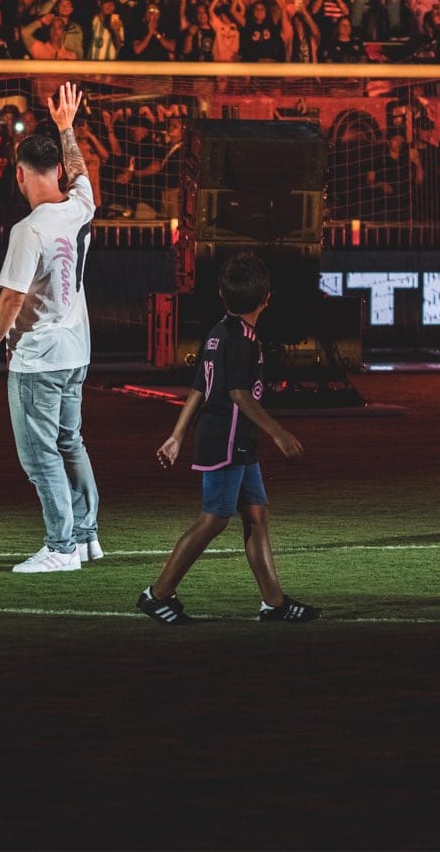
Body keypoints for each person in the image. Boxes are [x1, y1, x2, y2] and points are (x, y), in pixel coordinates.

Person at [137, 253, 318, 626]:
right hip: (227, 440)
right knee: (213, 520)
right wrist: (278, 431)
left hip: (236, 440)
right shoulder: (241, 341)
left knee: (256, 514)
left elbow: (200, 386)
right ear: (267, 298)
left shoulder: (219, 331)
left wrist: (176, 435)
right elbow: (237, 393)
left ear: (222, 295)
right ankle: (157, 594)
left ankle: (274, 603)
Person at [0, 81, 101, 574]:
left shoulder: (29, 230)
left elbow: (12, 297)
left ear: (19, 174)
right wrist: (67, 128)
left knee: (40, 454)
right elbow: (83, 173)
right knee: (71, 443)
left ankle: (61, 547)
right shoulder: (79, 206)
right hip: (77, 352)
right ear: (59, 172)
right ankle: (86, 537)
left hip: (39, 358)